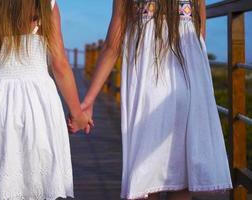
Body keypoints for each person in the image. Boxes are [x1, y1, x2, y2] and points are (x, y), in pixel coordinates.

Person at [77, 0, 233, 199]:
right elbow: (200, 37)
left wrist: (88, 100)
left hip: (149, 89)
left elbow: (112, 46)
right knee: (181, 179)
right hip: (189, 87)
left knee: (146, 178)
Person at [0, 0, 92, 199]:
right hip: (40, 99)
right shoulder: (46, 5)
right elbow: (60, 65)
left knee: (6, 178)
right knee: (45, 175)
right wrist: (77, 113)